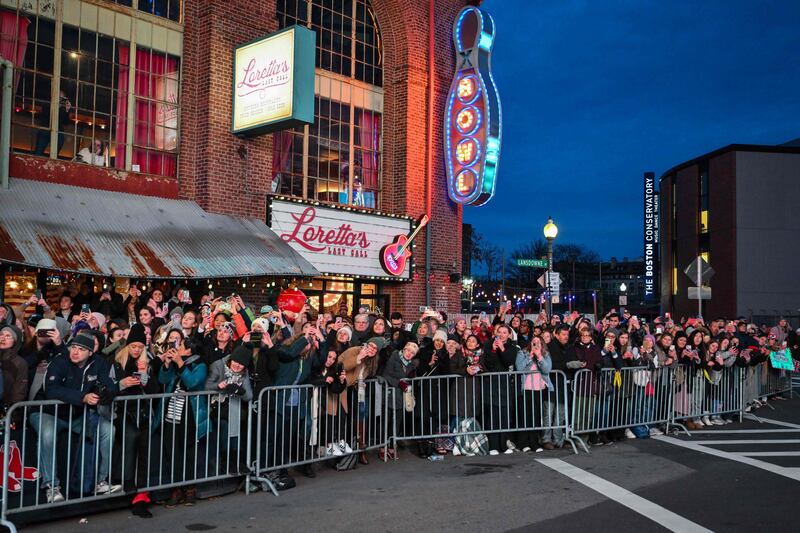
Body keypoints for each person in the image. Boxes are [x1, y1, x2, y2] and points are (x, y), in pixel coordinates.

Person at [29, 332, 120, 503]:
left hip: (75, 414)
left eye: (81, 349)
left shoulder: (98, 362)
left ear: (90, 352)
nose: (75, 352)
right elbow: (52, 390)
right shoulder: (60, 360)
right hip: (46, 410)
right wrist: (83, 397)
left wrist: (109, 393)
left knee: (108, 429)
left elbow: (108, 383)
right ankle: (51, 486)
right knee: (47, 435)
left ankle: (100, 481)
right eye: (73, 347)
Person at [111, 323, 161, 518]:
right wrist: (122, 384)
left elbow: (155, 391)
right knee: (129, 451)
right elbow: (107, 389)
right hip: (124, 415)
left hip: (144, 415)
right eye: (133, 346)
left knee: (145, 454)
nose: (137, 350)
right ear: (127, 346)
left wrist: (145, 376)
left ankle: (141, 497)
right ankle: (128, 491)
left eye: (140, 347)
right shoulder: (116, 363)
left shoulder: (147, 362)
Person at [154, 338, 208, 506]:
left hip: (189, 417)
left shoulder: (201, 366)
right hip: (171, 416)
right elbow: (163, 380)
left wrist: (179, 363)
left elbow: (192, 383)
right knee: (173, 454)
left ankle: (190, 489)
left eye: (180, 347)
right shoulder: (177, 364)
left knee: (189, 454)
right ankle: (176, 489)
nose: (176, 349)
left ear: (189, 351)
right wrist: (168, 364)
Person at [205, 344, 254, 475]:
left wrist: (239, 390)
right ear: (231, 359)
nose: (237, 366)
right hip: (216, 408)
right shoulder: (218, 365)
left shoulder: (243, 373)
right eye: (236, 362)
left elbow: (249, 395)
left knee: (237, 430)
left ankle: (236, 462)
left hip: (234, 409)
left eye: (241, 364)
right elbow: (206, 386)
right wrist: (219, 385)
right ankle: (227, 461)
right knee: (225, 428)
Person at [380, 342, 419, 459]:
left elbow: (410, 379)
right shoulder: (394, 357)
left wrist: (411, 378)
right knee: (385, 423)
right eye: (408, 351)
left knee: (396, 423)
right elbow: (385, 375)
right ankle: (382, 448)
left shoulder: (412, 365)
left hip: (401, 397)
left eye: (412, 353)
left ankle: (392, 447)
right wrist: (399, 382)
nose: (409, 354)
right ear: (404, 349)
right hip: (389, 394)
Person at [515, 335, 553, 452]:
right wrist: (530, 358)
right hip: (526, 389)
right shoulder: (522, 353)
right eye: (534, 342)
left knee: (536, 416)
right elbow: (520, 369)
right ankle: (523, 443)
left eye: (538, 343)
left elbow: (547, 369)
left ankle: (534, 443)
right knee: (525, 416)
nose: (536, 345)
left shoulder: (545, 354)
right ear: (530, 344)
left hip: (539, 389)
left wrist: (540, 357)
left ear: (542, 344)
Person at [34, 90, 71, 156]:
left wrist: (67, 110)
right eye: (59, 97)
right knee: (38, 151)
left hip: (57, 131)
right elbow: (45, 115)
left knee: (59, 143)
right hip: (46, 128)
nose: (60, 99)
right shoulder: (48, 103)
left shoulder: (63, 108)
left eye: (62, 98)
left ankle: (53, 159)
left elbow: (66, 122)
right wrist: (56, 106)